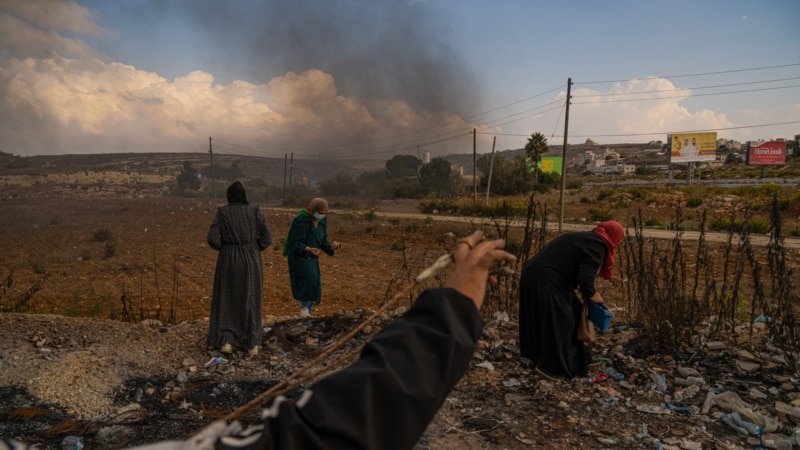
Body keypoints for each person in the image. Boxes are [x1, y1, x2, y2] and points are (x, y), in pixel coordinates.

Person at [127, 231, 516, 450]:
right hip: (256, 259)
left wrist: (324, 247)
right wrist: (452, 309)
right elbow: (327, 435)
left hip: (234, 259)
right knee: (256, 298)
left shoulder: (304, 219)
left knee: (242, 299)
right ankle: (262, 329)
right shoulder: (299, 220)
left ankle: (243, 335)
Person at [518, 220, 624, 380]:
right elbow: (585, 276)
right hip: (545, 279)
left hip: (538, 275)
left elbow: (576, 269)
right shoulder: (598, 245)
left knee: (573, 311)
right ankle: (553, 367)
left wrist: (585, 291)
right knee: (562, 320)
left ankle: (579, 358)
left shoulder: (589, 239)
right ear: (615, 237)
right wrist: (592, 295)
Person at [206, 181, 273, 356]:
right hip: (251, 258)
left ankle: (227, 340)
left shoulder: (223, 212)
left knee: (227, 297)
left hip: (229, 258)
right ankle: (252, 344)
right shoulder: (255, 210)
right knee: (251, 297)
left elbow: (212, 238)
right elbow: (267, 237)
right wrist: (253, 248)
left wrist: (226, 248)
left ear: (228, 196)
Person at [283, 197, 339, 317]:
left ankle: (307, 311)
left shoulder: (322, 222)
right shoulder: (302, 221)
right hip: (300, 256)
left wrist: (331, 247)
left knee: (313, 281)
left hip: (313, 257)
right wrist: (309, 249)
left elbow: (322, 241)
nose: (322, 216)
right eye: (320, 213)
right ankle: (304, 308)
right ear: (313, 210)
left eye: (324, 214)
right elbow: (297, 243)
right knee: (307, 279)